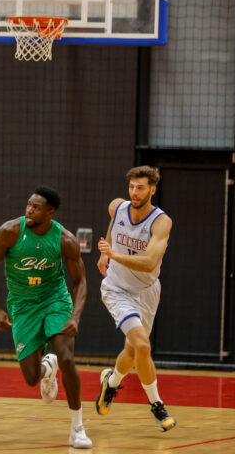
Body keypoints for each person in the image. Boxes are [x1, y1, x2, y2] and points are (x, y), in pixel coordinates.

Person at [0, 187, 92, 449]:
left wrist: (75, 317)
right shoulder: (10, 231)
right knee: (31, 378)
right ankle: (47, 368)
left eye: (36, 207)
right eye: (29, 205)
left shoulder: (65, 239)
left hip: (54, 299)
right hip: (22, 304)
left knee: (67, 357)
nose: (29, 210)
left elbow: (80, 281)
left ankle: (77, 428)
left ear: (50, 212)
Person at [95, 165, 176, 431]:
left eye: (140, 188)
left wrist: (113, 254)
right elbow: (113, 223)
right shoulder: (117, 207)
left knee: (132, 351)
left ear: (152, 190)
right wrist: (105, 252)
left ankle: (111, 383)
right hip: (117, 289)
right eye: (131, 187)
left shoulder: (161, 222)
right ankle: (157, 405)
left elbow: (150, 262)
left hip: (147, 291)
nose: (134, 192)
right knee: (142, 346)